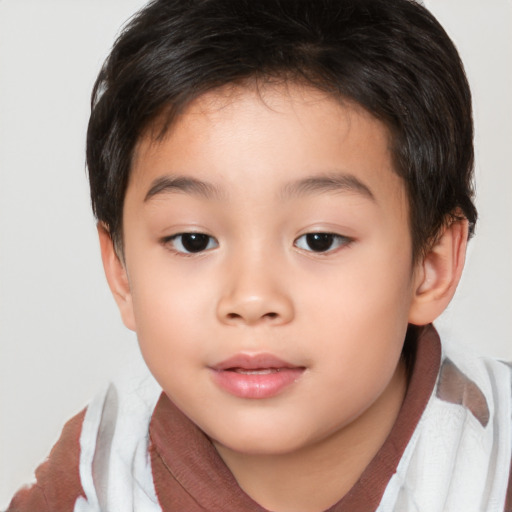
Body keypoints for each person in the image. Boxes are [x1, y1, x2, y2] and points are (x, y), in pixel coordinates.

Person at [7, 0, 512, 510]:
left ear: (430, 266)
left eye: (319, 240)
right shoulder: (92, 481)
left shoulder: (494, 461)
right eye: (193, 240)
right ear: (121, 272)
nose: (251, 299)